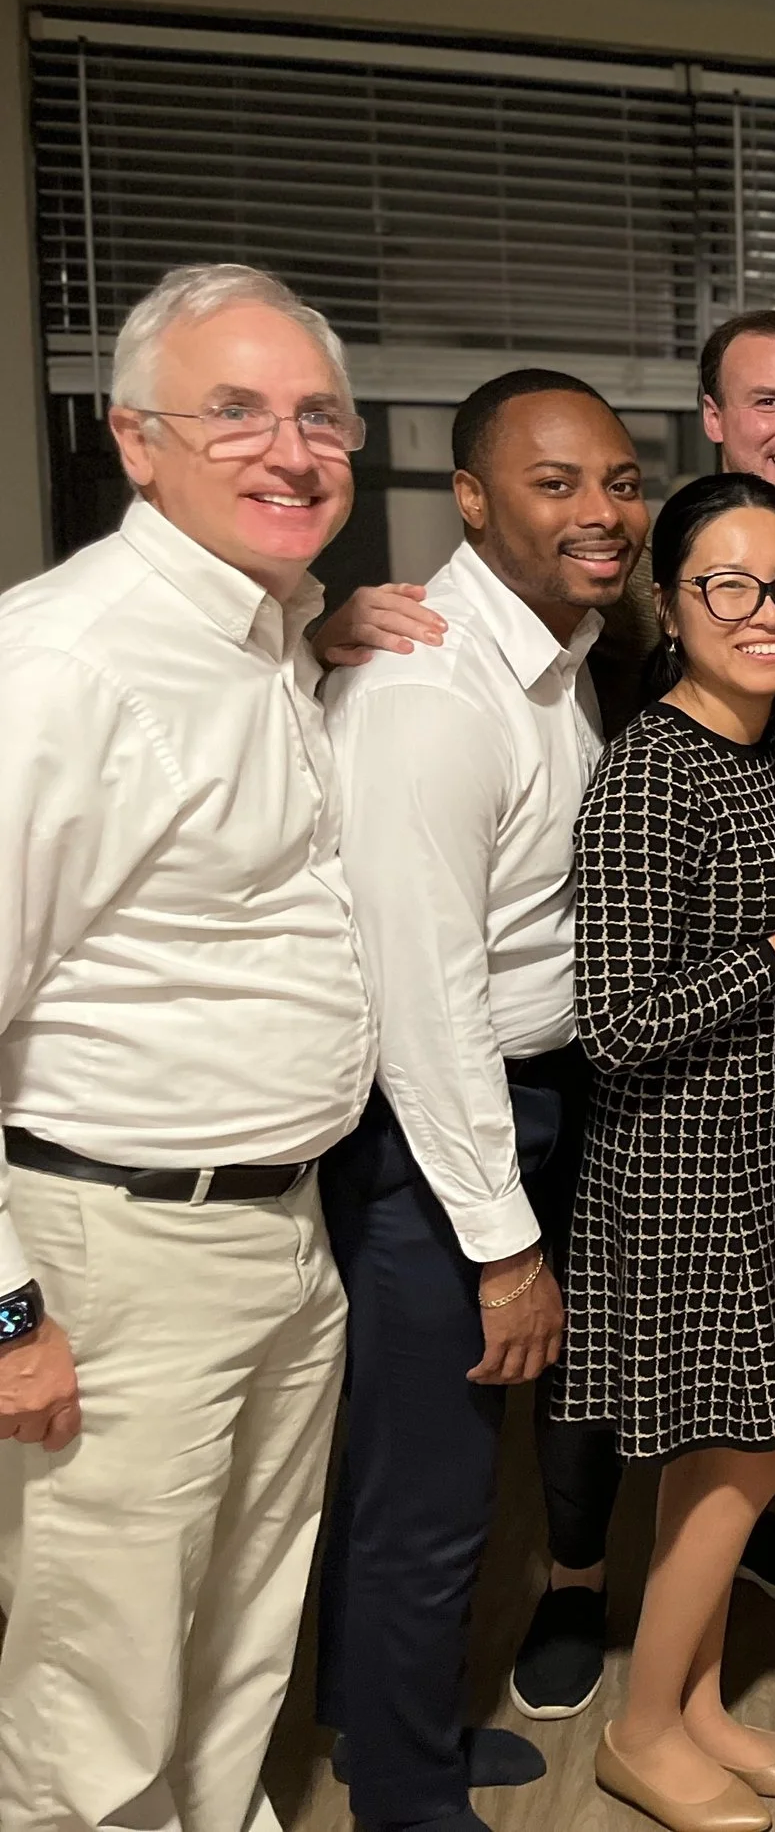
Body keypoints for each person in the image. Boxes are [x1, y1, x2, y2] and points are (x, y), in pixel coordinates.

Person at [321, 306, 775, 1643]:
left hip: (672, 1064)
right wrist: (318, 625)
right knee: (576, 1383)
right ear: (712, 417)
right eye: (766, 401)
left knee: (684, 1379)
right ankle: (577, 1596)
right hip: (551, 1066)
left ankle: (675, 1617)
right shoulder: (603, 598)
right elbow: (469, 981)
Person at [0, 263, 376, 1832]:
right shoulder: (64, 662)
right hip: (112, 1248)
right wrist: (8, 1305)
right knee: (96, 1699)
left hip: (279, 1232)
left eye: (318, 416)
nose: (290, 450)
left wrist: (327, 632)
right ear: (134, 440)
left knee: (237, 1649)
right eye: (235, 412)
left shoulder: (265, 632)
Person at [315, 368, 646, 1831]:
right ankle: (401, 1788)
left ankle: (378, 1729)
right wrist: (505, 1240)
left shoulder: (552, 659)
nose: (603, 510)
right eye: (557, 481)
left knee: (425, 1466)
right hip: (443, 1127)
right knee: (429, 1485)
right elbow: (426, 999)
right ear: (471, 498)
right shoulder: (429, 691)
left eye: (620, 479)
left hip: (529, 1099)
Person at [564, 471, 775, 1832]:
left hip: (767, 1155)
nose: (768, 610)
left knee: (727, 1449)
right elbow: (616, 1023)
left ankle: (694, 1703)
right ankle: (640, 1727)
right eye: (729, 585)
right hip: (679, 1170)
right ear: (670, 602)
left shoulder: (757, 750)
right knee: (751, 1448)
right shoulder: (651, 767)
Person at [318, 305, 775, 737]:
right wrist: (326, 647)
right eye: (767, 402)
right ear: (713, 418)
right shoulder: (618, 559)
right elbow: (492, 629)